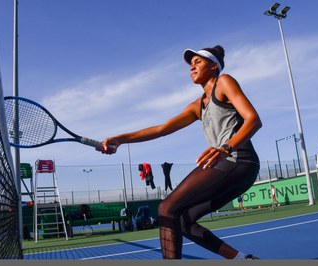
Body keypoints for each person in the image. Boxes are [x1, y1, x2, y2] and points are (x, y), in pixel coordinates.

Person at [97, 45, 261, 260]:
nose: (192, 67)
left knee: (167, 207)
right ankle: (243, 260)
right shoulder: (197, 105)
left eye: (198, 62)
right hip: (231, 166)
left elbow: (253, 120)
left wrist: (225, 147)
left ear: (214, 66)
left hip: (237, 160)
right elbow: (161, 129)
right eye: (190, 64)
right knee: (182, 220)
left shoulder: (224, 81)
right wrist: (120, 139)